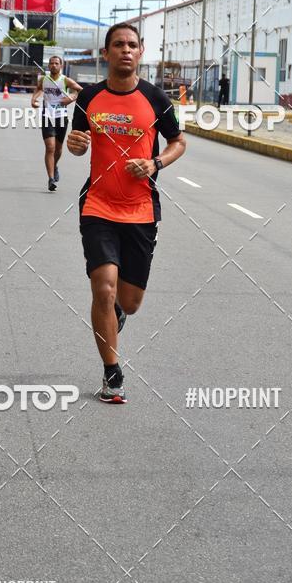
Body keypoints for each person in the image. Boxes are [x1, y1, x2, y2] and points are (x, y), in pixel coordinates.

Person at [67, 23, 186, 403]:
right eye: (118, 44)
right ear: (106, 53)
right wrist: (74, 144)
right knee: (103, 287)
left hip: (141, 210)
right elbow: (77, 144)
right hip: (98, 205)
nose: (126, 50)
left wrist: (155, 163)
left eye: (132, 45)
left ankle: (117, 312)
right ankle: (112, 373)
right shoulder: (89, 97)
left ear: (141, 51)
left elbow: (178, 142)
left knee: (129, 303)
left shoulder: (155, 98)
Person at [31, 56, 82, 192]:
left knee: (58, 149)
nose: (53, 65)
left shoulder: (65, 80)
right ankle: (51, 179)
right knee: (50, 147)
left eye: (56, 63)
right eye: (51, 63)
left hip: (61, 117)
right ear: (48, 66)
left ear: (61, 66)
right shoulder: (44, 79)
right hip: (47, 116)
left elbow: (80, 91)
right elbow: (38, 88)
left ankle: (54, 166)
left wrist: (70, 98)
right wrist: (34, 99)